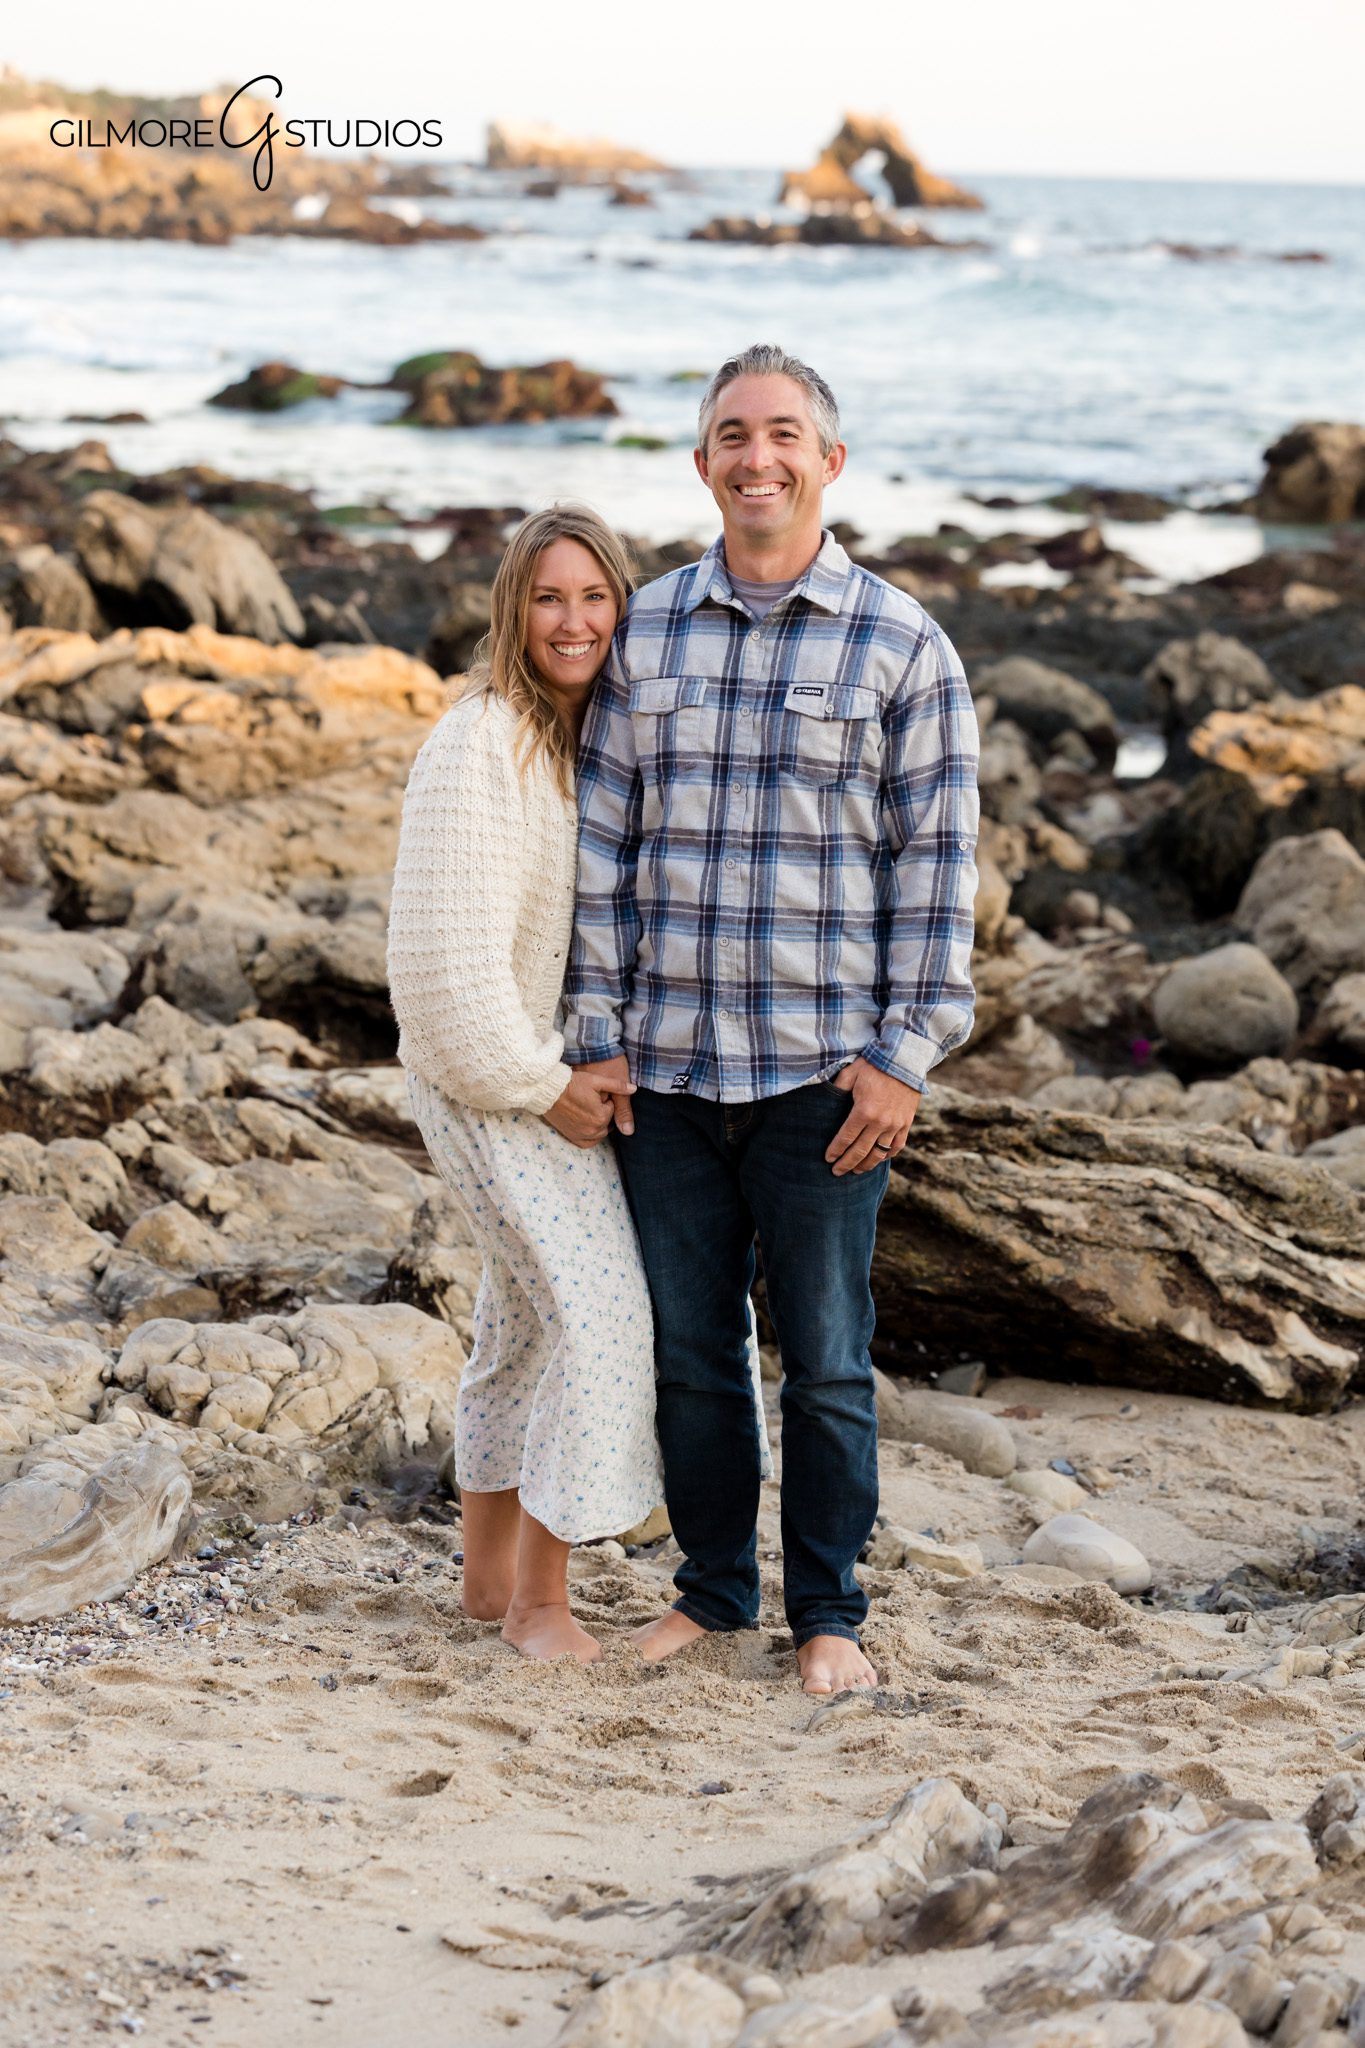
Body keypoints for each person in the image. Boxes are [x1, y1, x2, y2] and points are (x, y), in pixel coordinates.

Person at [562, 344, 980, 1697]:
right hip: (669, 1079)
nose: (758, 458)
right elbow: (599, 848)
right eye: (732, 435)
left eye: (783, 434)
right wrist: (595, 1029)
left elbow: (936, 871)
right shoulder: (649, 631)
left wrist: (902, 1061)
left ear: (830, 461)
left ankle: (829, 1617)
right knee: (691, 1356)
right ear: (701, 464)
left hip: (825, 1080)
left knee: (828, 1366)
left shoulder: (903, 644)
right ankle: (712, 1592)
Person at [386, 504, 661, 1666]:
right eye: (550, 597)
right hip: (488, 1077)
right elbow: (438, 966)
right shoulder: (483, 740)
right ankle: (544, 1605)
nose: (574, 619)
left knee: (518, 1319)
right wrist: (543, 1083)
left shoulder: (566, 734)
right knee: (597, 1317)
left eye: (595, 597)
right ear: (513, 606)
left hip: (517, 1068)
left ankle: (488, 1578)